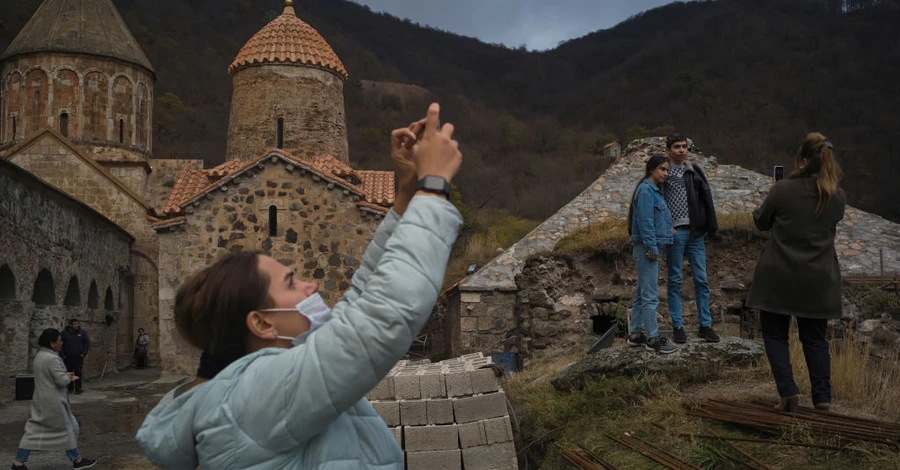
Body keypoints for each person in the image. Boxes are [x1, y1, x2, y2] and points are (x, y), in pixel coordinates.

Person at [135, 103, 463, 469]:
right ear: (261, 322)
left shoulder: (252, 385)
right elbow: (379, 320)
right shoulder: (256, 396)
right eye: (291, 283)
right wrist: (434, 187)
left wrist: (406, 193)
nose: (311, 286)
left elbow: (362, 296)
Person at [747, 132, 845, 412]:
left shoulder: (782, 191)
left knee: (775, 334)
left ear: (802, 161)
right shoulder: (837, 196)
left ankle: (788, 392)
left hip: (778, 274)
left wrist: (774, 191)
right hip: (819, 277)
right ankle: (822, 398)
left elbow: (761, 222)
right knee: (815, 339)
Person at [661, 134, 720, 344]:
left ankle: (705, 325)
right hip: (675, 233)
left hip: (695, 232)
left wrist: (710, 226)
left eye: (684, 147)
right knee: (675, 280)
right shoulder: (663, 172)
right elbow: (656, 200)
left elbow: (707, 197)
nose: (681, 150)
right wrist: (665, 227)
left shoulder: (693, 170)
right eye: (677, 147)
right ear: (668, 149)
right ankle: (678, 327)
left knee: (701, 279)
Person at [10, 328, 97, 469]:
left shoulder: (40, 356)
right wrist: (68, 377)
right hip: (53, 402)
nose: (61, 343)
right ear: (52, 343)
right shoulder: (52, 359)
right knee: (67, 429)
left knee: (35, 432)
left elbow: (50, 376)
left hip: (42, 400)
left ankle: (19, 462)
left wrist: (64, 375)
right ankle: (77, 460)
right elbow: (61, 381)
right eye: (59, 340)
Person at [627, 154, 677, 354]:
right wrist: (652, 248)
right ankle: (653, 338)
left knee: (641, 294)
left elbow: (655, 220)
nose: (666, 173)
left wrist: (668, 230)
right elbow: (645, 223)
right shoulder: (647, 191)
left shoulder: (654, 191)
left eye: (667, 170)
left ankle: (636, 333)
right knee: (650, 296)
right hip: (647, 249)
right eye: (662, 169)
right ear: (651, 170)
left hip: (650, 246)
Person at [60, 319, 90, 394]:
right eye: (74, 324)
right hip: (67, 357)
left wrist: (83, 353)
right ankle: (69, 388)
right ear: (70, 325)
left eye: (77, 324)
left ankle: (78, 388)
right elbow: (60, 345)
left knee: (78, 372)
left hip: (78, 357)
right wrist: (63, 355)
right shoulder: (64, 333)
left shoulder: (82, 333)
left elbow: (86, 343)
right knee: (69, 372)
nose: (76, 325)